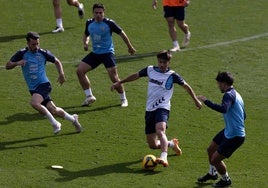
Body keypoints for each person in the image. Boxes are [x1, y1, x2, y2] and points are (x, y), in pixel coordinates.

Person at [111, 50, 202, 167]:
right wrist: (120, 82)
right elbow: (136, 75)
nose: (162, 65)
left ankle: (164, 157)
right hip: (150, 109)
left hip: (163, 107)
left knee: (160, 130)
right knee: (152, 144)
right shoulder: (150, 70)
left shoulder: (172, 75)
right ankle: (171, 144)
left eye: (164, 62)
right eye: (160, 62)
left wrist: (195, 100)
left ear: (168, 62)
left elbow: (186, 87)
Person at [5, 32, 82, 134]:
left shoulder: (43, 53)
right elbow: (8, 66)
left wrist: (61, 74)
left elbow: (57, 61)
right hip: (33, 88)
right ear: (27, 43)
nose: (36, 47)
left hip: (44, 85)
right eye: (33, 44)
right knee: (53, 110)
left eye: (37, 44)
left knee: (34, 103)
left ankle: (55, 123)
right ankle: (73, 119)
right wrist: (17, 63)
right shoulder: (21, 53)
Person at [76, 3, 136, 107]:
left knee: (114, 78)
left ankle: (123, 99)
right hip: (95, 53)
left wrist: (130, 47)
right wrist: (85, 43)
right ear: (93, 13)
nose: (98, 15)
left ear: (104, 13)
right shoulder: (89, 23)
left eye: (100, 13)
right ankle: (89, 96)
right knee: (80, 71)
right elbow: (86, 34)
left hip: (107, 53)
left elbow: (122, 33)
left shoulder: (109, 23)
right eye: (96, 13)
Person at [197, 72, 246, 187]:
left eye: (219, 83)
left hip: (235, 136)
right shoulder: (237, 94)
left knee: (215, 159)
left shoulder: (228, 95)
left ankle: (226, 180)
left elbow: (224, 109)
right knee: (210, 149)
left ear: (224, 83)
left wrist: (206, 101)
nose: (218, 86)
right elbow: (244, 115)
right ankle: (212, 173)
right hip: (229, 130)